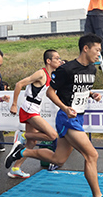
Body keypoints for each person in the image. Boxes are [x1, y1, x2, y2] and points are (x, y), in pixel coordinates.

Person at [5, 33, 103, 197]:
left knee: (57, 159)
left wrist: (92, 94)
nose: (99, 54)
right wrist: (65, 107)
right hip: (67, 119)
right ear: (86, 48)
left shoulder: (92, 70)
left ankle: (22, 151)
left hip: (78, 117)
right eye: (97, 50)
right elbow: (51, 92)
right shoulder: (66, 69)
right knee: (92, 155)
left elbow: (80, 89)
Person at [7, 49, 63, 177]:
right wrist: (14, 104)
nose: (59, 60)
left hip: (35, 108)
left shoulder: (51, 75)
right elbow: (19, 84)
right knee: (52, 136)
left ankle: (15, 168)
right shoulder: (41, 74)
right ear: (48, 61)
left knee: (32, 143)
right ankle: (22, 136)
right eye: (57, 58)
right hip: (29, 108)